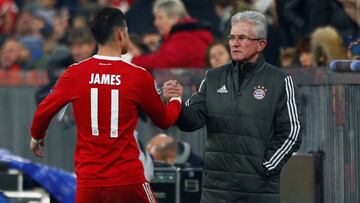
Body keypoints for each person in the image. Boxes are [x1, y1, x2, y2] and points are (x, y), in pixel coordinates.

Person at [30, 7, 184, 203]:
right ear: (121, 33)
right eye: (127, 32)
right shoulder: (138, 76)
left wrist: (37, 136)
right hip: (127, 180)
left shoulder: (75, 73)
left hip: (89, 183)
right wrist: (175, 101)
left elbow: (44, 111)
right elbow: (163, 121)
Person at [163, 11, 302, 203]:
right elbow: (192, 121)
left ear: (261, 44)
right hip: (216, 191)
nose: (235, 43)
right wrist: (176, 101)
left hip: (259, 191)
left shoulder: (280, 81)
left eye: (243, 38)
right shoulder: (213, 77)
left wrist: (266, 167)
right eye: (232, 37)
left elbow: (292, 132)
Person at [131, 0, 213, 69]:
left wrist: (131, 60)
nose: (155, 23)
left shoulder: (186, 38)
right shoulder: (188, 33)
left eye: (160, 18)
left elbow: (163, 62)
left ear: (174, 19)